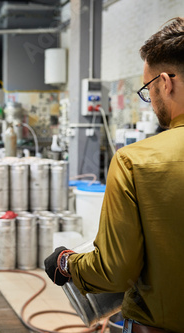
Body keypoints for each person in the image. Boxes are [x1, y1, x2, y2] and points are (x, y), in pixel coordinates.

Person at [44, 17, 184, 332]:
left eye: (148, 90)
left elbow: (115, 269)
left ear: (165, 82)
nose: (150, 101)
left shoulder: (135, 161)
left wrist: (66, 263)